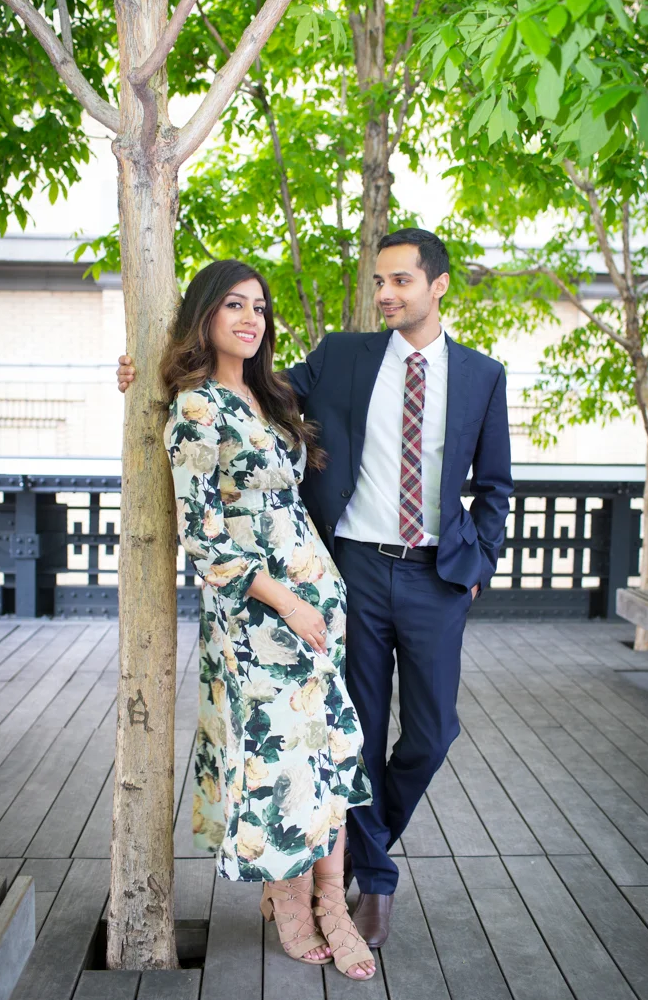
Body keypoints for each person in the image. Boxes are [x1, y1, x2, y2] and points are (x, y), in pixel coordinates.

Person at [118, 227, 513, 949]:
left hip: (435, 575)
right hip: (350, 570)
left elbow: (495, 485)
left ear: (438, 285)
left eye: (401, 281)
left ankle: (352, 853)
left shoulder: (483, 376)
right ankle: (367, 883)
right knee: (347, 736)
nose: (386, 293)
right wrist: (140, 372)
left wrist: (480, 560)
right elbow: (234, 384)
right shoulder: (340, 357)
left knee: (431, 734)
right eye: (379, 281)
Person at [159, 259, 376, 980]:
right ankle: (291, 906)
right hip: (259, 619)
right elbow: (202, 536)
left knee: (328, 750)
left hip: (317, 606)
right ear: (204, 316)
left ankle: (331, 902)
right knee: (284, 758)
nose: (250, 318)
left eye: (258, 307)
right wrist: (286, 601)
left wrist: (315, 600)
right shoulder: (196, 408)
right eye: (233, 305)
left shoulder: (270, 394)